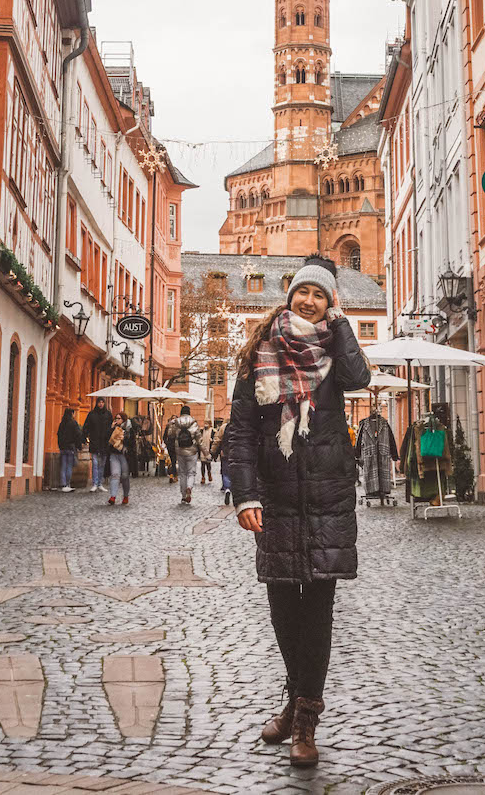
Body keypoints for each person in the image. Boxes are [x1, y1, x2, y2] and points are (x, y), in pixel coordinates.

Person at [228, 254, 370, 769]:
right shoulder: (259, 353)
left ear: (330, 303)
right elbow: (241, 431)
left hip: (330, 497)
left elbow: (361, 378)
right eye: (303, 293)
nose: (309, 301)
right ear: (289, 297)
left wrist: (342, 326)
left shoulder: (337, 355)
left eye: (320, 295)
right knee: (285, 612)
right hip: (279, 497)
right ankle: (295, 700)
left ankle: (305, 718)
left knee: (320, 614)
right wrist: (245, 495)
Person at [164, 404, 200, 504]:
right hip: (192, 451)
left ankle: (184, 495)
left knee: (183, 473)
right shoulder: (193, 422)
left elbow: (170, 434)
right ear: (189, 412)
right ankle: (189, 487)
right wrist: (206, 453)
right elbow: (199, 439)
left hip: (179, 450)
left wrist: (170, 425)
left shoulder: (176, 422)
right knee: (191, 473)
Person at [82, 397, 112, 493]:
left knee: (102, 464)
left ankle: (100, 483)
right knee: (95, 463)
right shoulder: (92, 414)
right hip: (95, 441)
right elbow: (86, 426)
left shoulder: (108, 414)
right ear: (97, 403)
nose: (101, 404)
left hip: (104, 442)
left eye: (102, 402)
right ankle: (95, 483)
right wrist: (85, 437)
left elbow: (111, 428)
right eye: (99, 402)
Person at [107, 412, 131, 506]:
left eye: (119, 418)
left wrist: (124, 437)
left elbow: (131, 443)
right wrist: (112, 429)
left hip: (124, 455)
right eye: (116, 418)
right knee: (115, 475)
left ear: (123, 420)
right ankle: (113, 497)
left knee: (125, 476)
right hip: (114, 454)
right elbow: (107, 439)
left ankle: (125, 496)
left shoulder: (129, 429)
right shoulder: (113, 428)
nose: (117, 420)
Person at [57, 407, 83, 492]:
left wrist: (60, 446)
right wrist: (79, 446)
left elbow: (59, 435)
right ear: (72, 414)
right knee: (69, 466)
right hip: (71, 447)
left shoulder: (62, 423)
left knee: (63, 466)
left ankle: (63, 484)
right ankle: (67, 484)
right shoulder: (73, 423)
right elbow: (78, 435)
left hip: (63, 447)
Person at [211, 419, 231, 506]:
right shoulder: (239, 424)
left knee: (225, 471)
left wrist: (213, 451)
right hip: (236, 452)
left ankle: (227, 487)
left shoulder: (223, 427)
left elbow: (217, 440)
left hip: (225, 452)